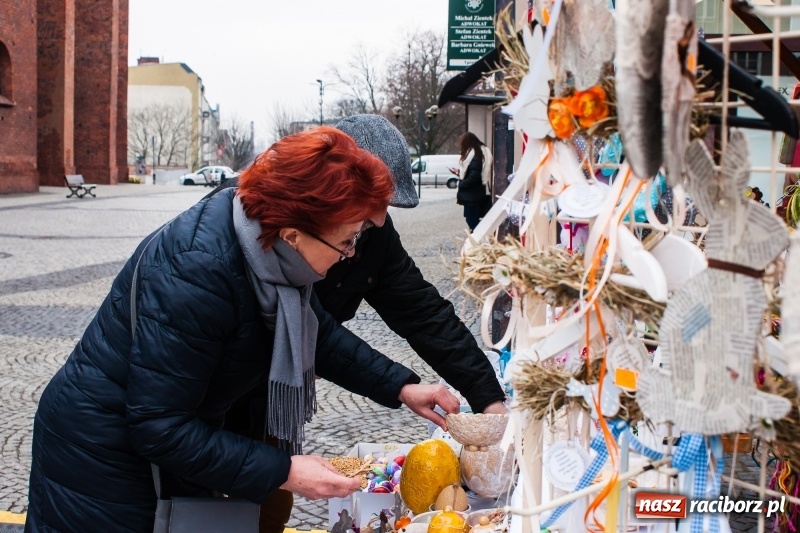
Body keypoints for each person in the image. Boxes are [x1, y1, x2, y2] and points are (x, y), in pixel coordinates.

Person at [24, 127, 459, 533]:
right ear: (293, 234)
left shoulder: (268, 254)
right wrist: (285, 470)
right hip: (102, 467)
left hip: (152, 458)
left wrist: (402, 387)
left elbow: (318, 336)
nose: (350, 254)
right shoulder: (199, 272)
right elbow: (160, 427)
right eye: (346, 241)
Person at [210, 116, 508, 532]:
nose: (381, 221)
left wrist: (486, 394)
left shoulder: (371, 236)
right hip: (213, 414)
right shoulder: (239, 240)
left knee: (268, 511)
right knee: (221, 509)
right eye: (377, 205)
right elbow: (163, 421)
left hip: (271, 407)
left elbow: (421, 312)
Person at [456, 132, 493, 231]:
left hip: (473, 194)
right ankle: (479, 236)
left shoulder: (475, 154)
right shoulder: (480, 152)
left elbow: (474, 175)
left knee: (471, 219)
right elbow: (475, 171)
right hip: (477, 192)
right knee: (472, 218)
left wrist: (461, 184)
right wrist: (459, 173)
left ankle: (479, 236)